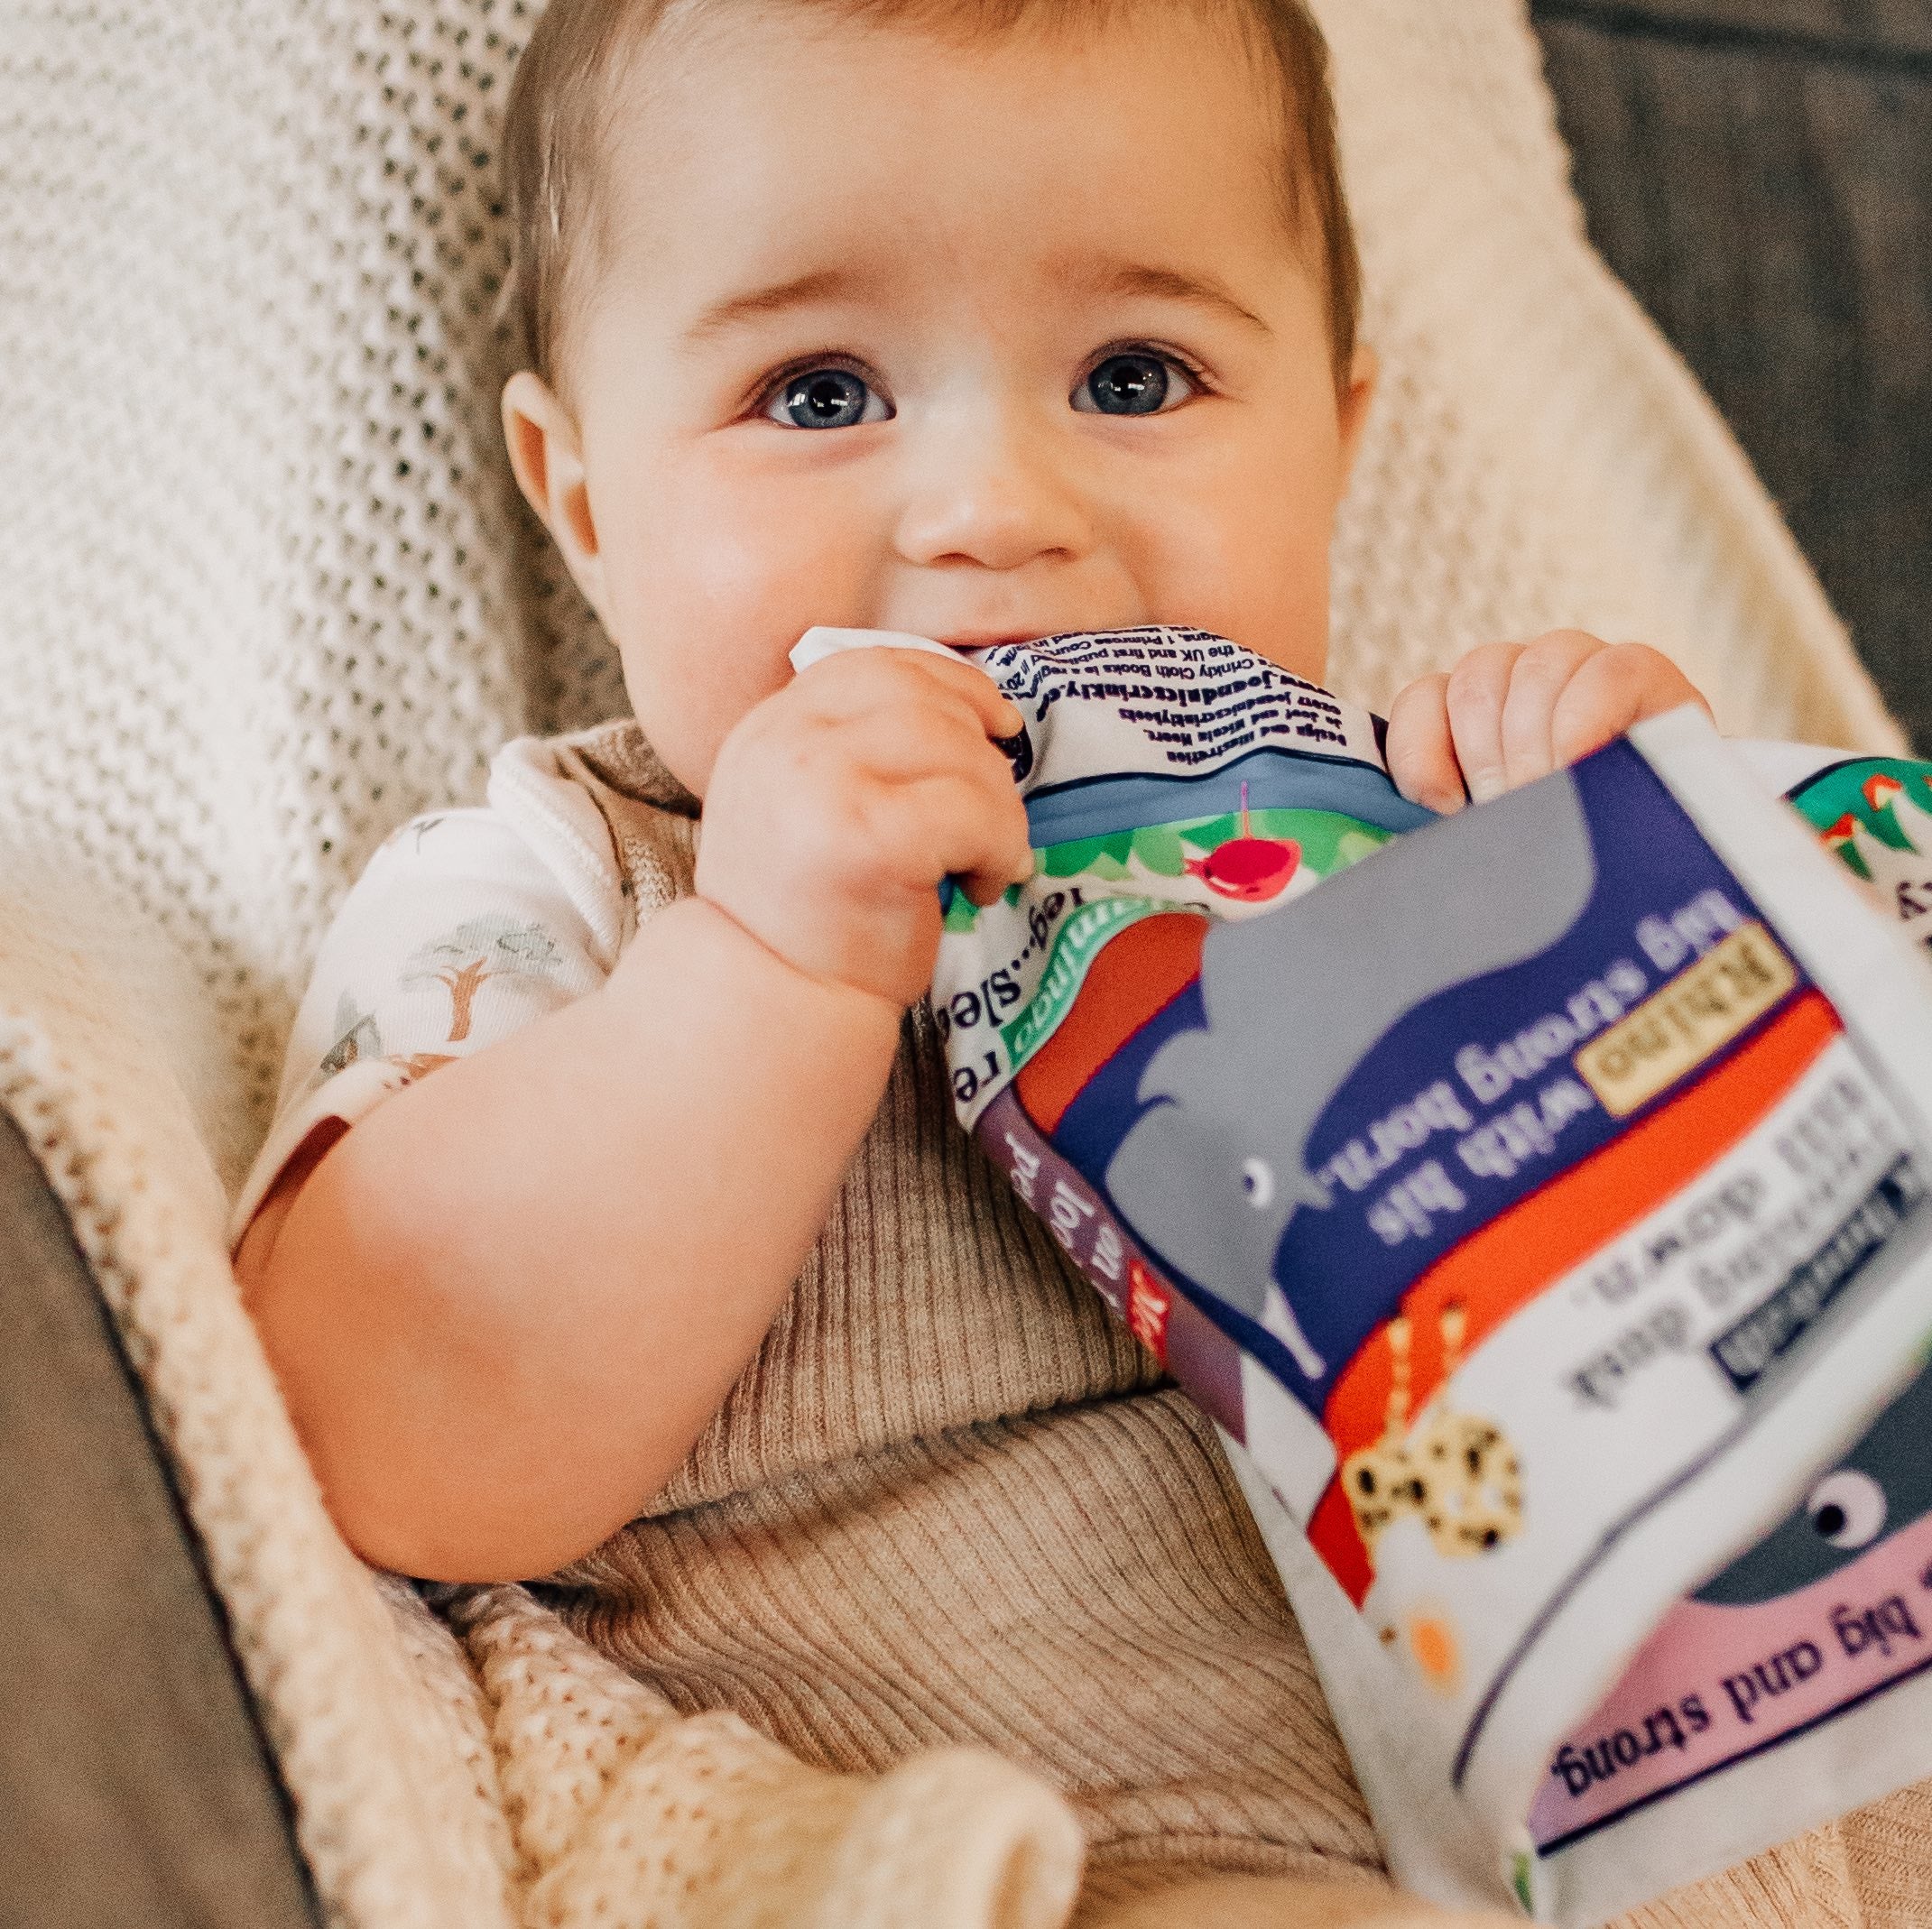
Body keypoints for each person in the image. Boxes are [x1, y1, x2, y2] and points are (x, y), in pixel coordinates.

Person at [233, 0, 1706, 1917]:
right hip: (1075, 1836)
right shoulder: (558, 885)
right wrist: (768, 970)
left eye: (1137, 373)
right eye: (821, 393)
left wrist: (1669, 887)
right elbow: (373, 1433)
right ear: (588, 498)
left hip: (1650, 1757)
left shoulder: (1407, 815)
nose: (999, 513)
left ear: (1334, 440)